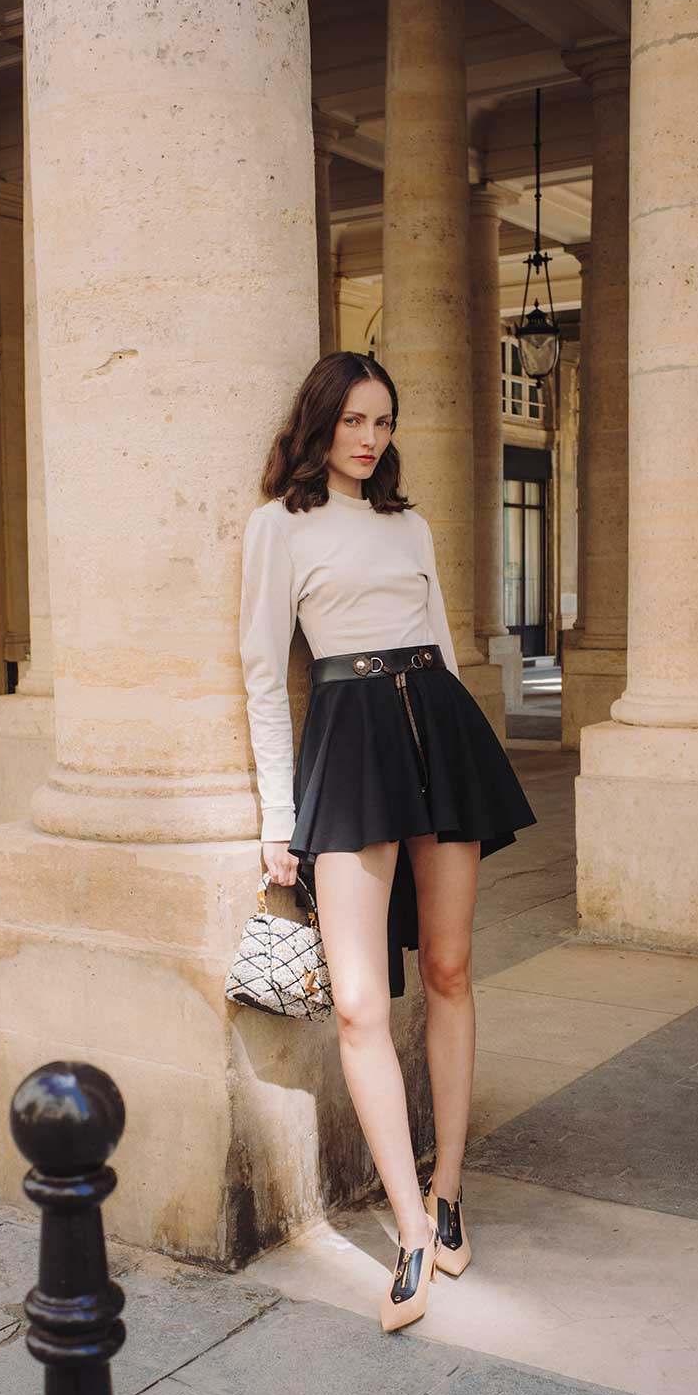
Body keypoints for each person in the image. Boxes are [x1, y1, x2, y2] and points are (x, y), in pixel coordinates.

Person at [238, 350, 534, 1334]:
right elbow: (257, 676)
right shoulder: (275, 527)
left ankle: (446, 1185)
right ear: (318, 420)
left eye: (382, 421)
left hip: (433, 726)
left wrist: (458, 742)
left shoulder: (408, 523)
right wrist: (275, 819)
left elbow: (443, 647)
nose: (369, 438)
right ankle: (407, 1230)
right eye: (353, 419)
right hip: (347, 741)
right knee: (358, 1002)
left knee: (447, 968)